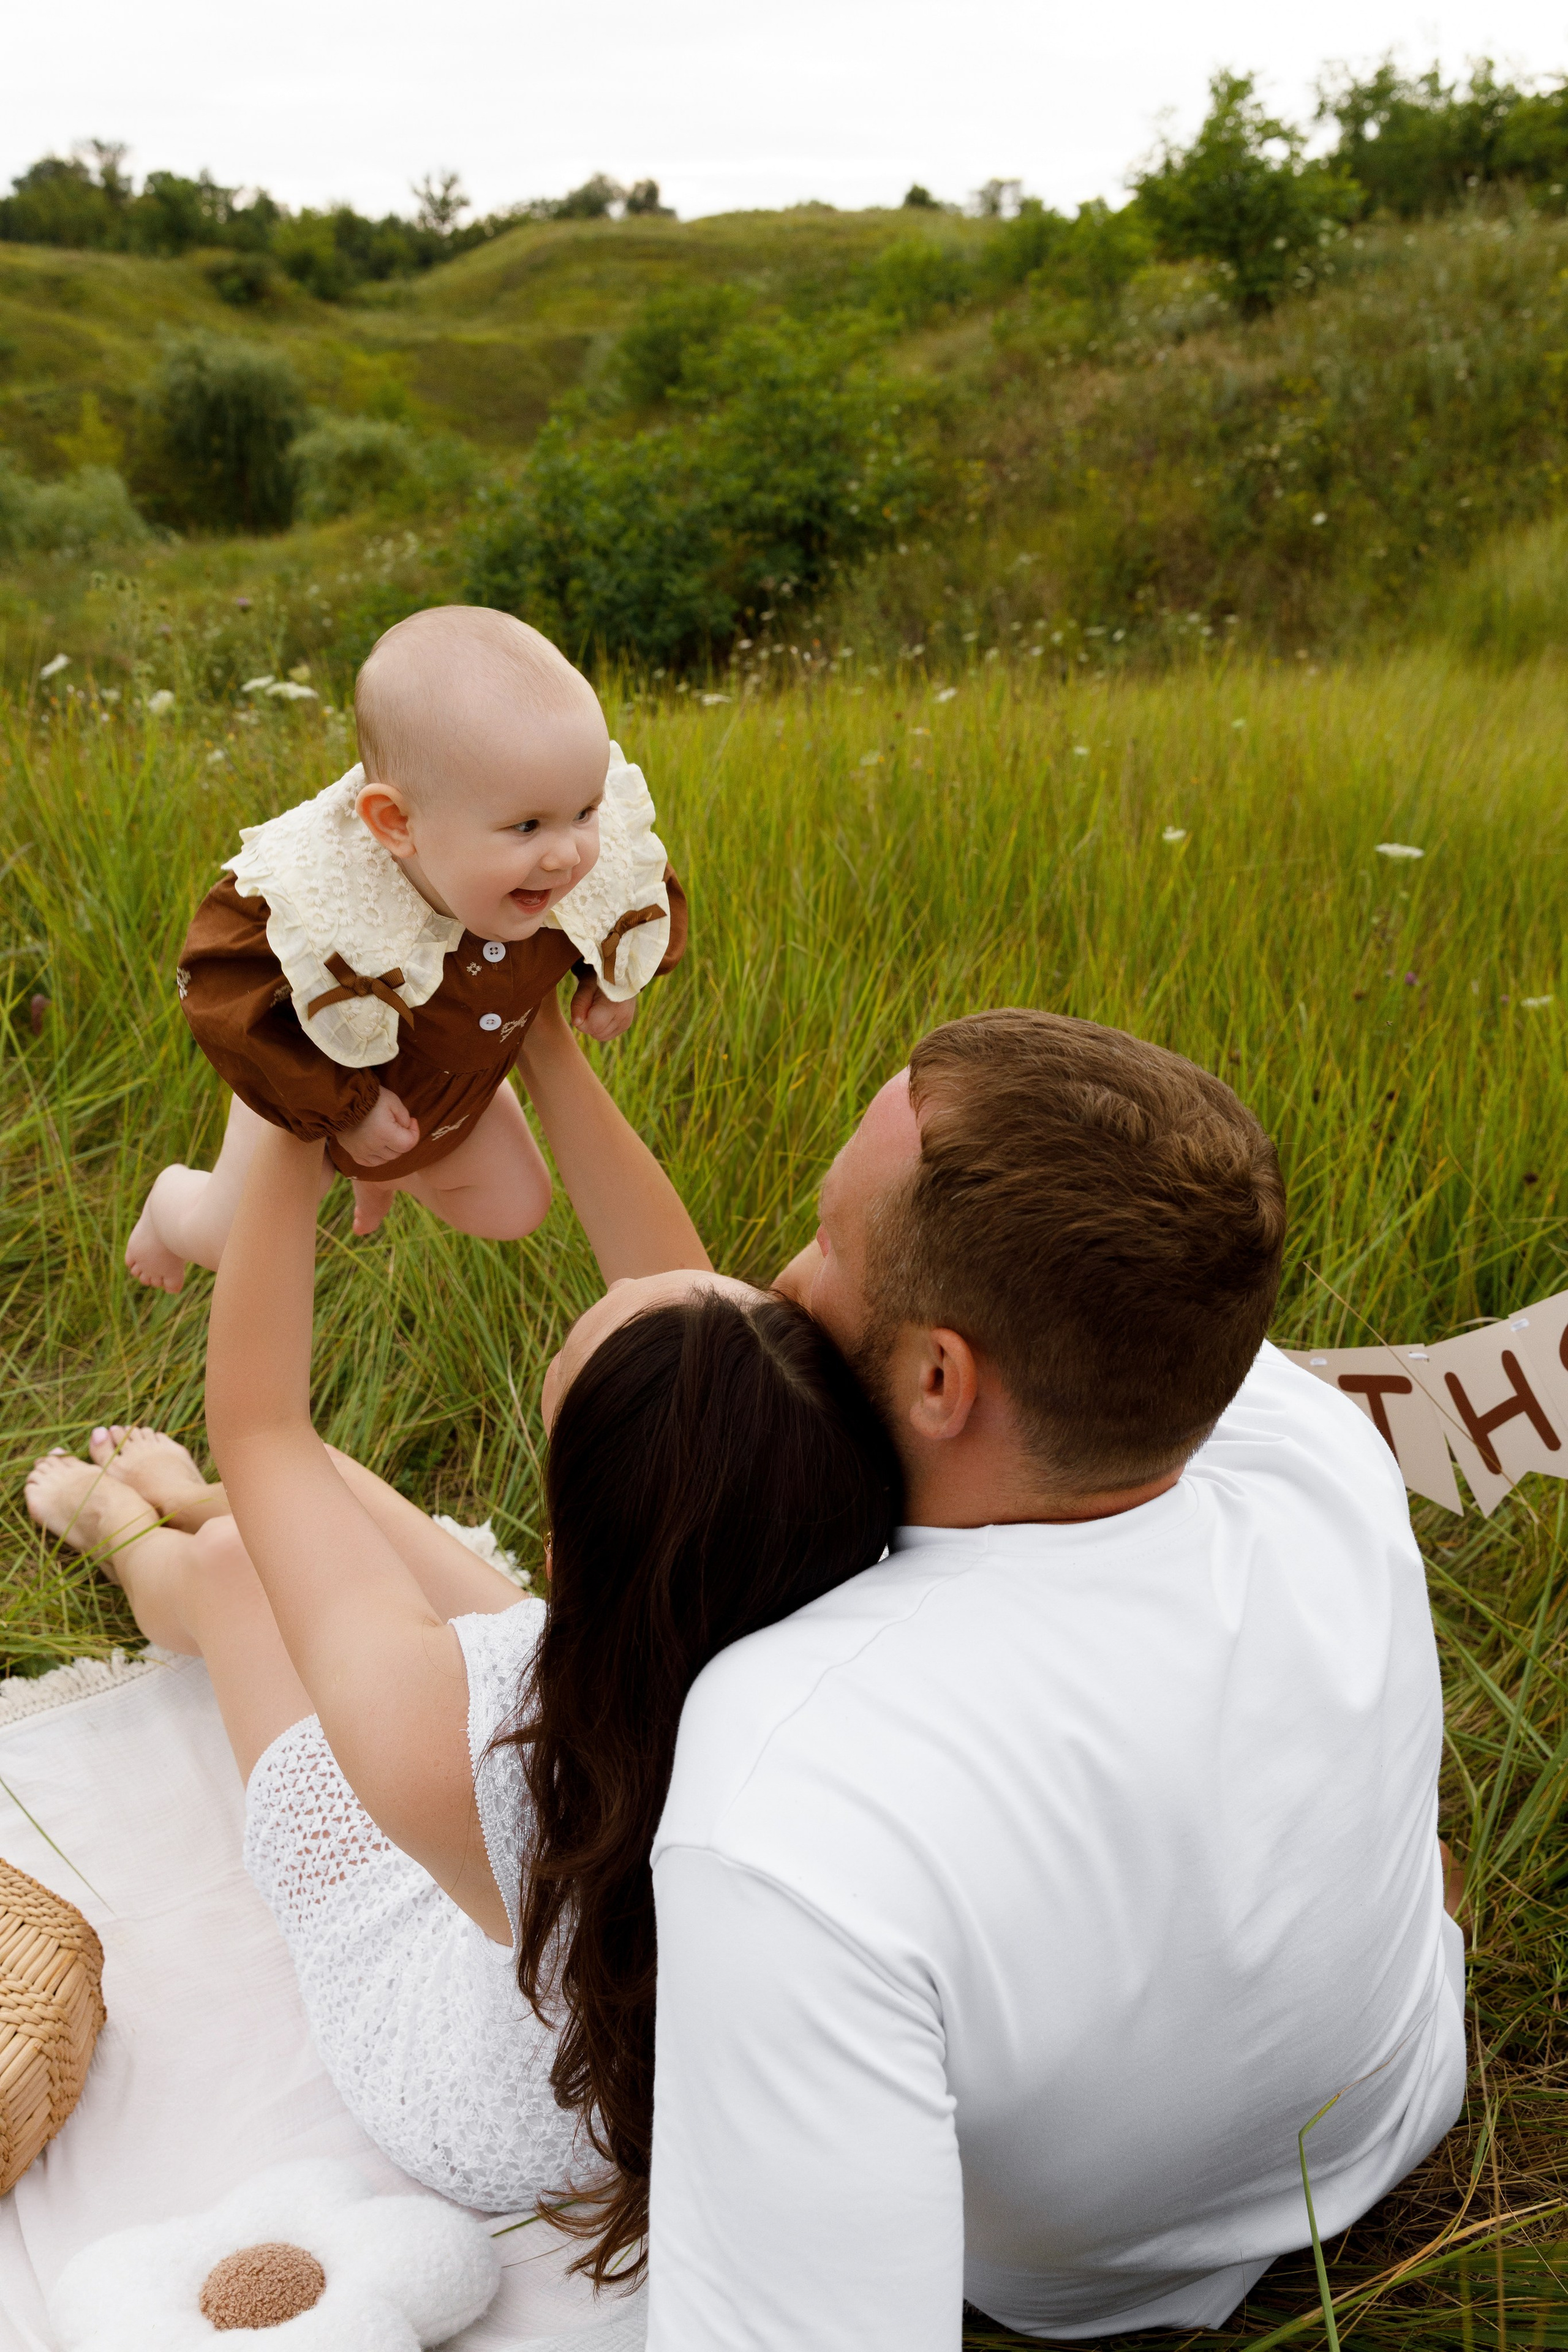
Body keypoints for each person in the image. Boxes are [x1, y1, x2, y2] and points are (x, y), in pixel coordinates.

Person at [29, 986, 900, 2284]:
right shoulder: (826, 1579)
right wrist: (530, 1030)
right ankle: (194, 1519)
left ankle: (123, 1528)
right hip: (596, 1862)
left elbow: (258, 1426)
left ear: (566, 1553)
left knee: (239, 1556)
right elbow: (681, 1312)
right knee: (334, 1501)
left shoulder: (452, 1744)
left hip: (454, 2049)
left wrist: (286, 1110)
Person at [644, 1009, 1468, 2346]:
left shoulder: (794, 1760)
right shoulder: (1306, 1443)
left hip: (1091, 2287)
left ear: (935, 1375)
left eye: (827, 1242)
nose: (783, 1282)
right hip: (1396, 2099)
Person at [126, 606, 687, 1292]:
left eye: (585, 811)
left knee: (515, 1206)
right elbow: (225, 992)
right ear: (397, 823)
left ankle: (389, 1176)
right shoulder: (327, 899)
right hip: (308, 1085)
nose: (567, 853)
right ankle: (168, 1204)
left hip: (443, 1092)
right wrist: (346, 1111)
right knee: (226, 1240)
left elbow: (631, 887)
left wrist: (607, 977)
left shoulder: (564, 862)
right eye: (528, 825)